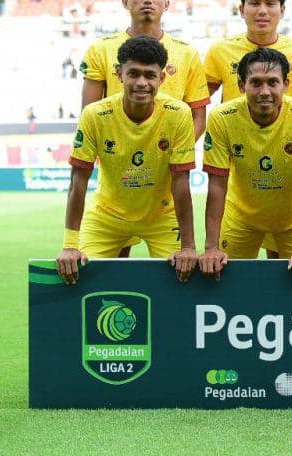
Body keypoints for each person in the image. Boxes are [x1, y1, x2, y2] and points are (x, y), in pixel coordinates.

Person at [55, 35, 197, 285]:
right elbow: (78, 181)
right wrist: (69, 244)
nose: (142, 83)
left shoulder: (179, 114)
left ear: (161, 78)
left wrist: (188, 246)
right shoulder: (95, 115)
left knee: (184, 281)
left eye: (150, 75)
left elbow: (181, 181)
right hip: (107, 215)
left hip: (161, 216)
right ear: (119, 74)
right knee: (79, 275)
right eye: (133, 74)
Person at [199, 48, 292, 289]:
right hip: (241, 219)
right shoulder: (221, 117)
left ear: (286, 84)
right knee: (222, 285)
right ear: (240, 84)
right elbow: (216, 185)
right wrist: (211, 248)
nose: (264, 92)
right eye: (255, 83)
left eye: (273, 83)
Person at [80, 0, 209, 139]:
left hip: (169, 158)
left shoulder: (187, 53)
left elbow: (198, 118)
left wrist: (177, 152)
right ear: (125, 2)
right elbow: (89, 114)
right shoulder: (100, 49)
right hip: (116, 157)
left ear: (166, 4)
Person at [204, 0, 292, 103]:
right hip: (235, 124)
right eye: (255, 3)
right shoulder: (220, 51)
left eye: (270, 3)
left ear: (282, 11)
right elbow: (197, 99)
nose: (262, 11)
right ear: (241, 10)